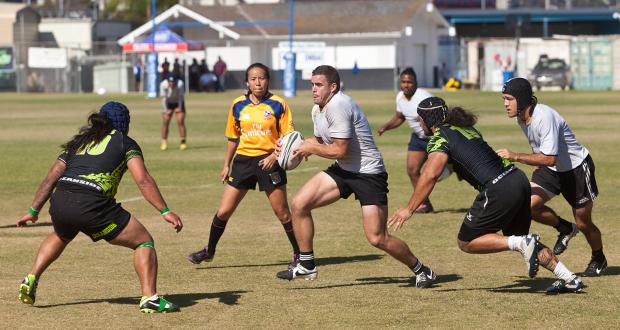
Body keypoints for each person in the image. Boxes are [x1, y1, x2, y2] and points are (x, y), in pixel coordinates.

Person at [388, 96, 585, 294]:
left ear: (427, 120)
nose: (418, 123)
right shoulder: (464, 128)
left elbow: (430, 174)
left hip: (499, 187)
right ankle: (569, 278)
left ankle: (522, 243)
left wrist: (409, 208)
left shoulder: (440, 139)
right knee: (523, 240)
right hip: (517, 179)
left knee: (467, 242)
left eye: (419, 118)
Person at [275, 65, 435, 288]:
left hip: (369, 174)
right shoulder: (318, 109)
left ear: (332, 87)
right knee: (299, 203)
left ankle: (422, 270)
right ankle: (307, 264)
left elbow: (340, 149)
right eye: (312, 84)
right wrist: (294, 146)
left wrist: (307, 149)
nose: (313, 89)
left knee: (377, 238)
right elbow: (323, 141)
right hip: (344, 170)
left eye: (318, 85)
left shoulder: (339, 105)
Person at [16, 101, 183, 312]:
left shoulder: (79, 141)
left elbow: (50, 178)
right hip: (92, 205)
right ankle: (149, 298)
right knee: (143, 242)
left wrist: (33, 212)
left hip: (61, 201)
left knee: (61, 234)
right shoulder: (126, 143)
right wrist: (164, 211)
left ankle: (31, 277)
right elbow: (143, 180)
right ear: (124, 122)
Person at [187, 63, 301, 269]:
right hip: (243, 162)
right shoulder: (238, 104)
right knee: (223, 211)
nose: (258, 82)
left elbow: (289, 137)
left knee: (282, 212)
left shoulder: (278, 104)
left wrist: (274, 157)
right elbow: (233, 138)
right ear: (247, 82)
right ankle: (209, 251)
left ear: (268, 80)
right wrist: (226, 165)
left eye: (262, 78)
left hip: (269, 162)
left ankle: (300, 254)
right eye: (253, 79)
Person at [496, 77, 606, 276]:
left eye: (509, 99)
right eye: (504, 98)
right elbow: (540, 148)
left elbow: (549, 158)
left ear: (521, 100)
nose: (505, 104)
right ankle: (564, 228)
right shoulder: (521, 117)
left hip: (576, 169)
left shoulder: (544, 117)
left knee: (583, 222)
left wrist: (516, 156)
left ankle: (599, 258)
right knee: (527, 206)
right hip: (550, 169)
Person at [377, 68, 435, 213]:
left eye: (409, 82)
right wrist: (386, 127)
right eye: (403, 82)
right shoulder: (400, 97)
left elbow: (439, 119)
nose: (406, 85)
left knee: (456, 168)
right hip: (418, 138)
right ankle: (424, 203)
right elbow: (400, 117)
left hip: (434, 138)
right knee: (412, 170)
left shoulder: (425, 97)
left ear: (415, 83)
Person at [159, 76, 187, 151]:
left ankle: (183, 142)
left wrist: (179, 108)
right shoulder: (163, 84)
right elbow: (164, 99)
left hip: (178, 102)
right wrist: (166, 110)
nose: (171, 83)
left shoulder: (180, 84)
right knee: (166, 121)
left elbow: (181, 97)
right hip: (168, 103)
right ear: (167, 81)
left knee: (180, 120)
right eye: (170, 82)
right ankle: (164, 142)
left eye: (173, 82)